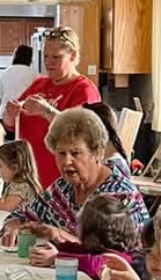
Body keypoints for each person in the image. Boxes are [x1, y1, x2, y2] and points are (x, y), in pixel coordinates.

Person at [0, 108, 148, 245]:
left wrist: (61, 236)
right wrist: (13, 226)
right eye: (61, 153)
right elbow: (22, 214)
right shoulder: (61, 189)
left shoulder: (121, 195)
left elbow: (120, 256)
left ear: (97, 153)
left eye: (75, 153)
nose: (66, 161)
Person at [7, 27, 101, 189]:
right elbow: (10, 124)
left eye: (56, 57)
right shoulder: (39, 84)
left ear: (72, 55)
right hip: (30, 181)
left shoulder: (84, 90)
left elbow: (81, 135)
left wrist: (47, 111)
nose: (48, 62)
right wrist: (10, 114)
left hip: (61, 183)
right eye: (46, 56)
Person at [29, 195, 146, 280]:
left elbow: (92, 263)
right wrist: (54, 246)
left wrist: (56, 257)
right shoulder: (100, 249)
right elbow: (78, 249)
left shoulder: (121, 259)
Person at [0, 139, 41, 213]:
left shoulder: (21, 186)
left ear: (14, 168)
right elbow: (4, 200)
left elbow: (6, 206)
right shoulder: (15, 184)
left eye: (0, 166)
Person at [0, 43, 37, 134]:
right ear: (30, 58)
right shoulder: (34, 74)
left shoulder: (5, 72)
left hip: (5, 116)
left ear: (15, 56)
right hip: (25, 117)